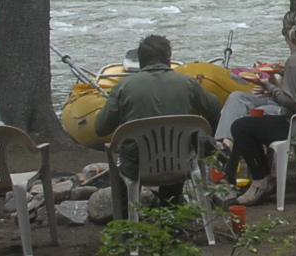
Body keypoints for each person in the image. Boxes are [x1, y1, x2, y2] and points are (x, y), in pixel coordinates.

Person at [94, 34, 223, 203]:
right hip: (179, 164)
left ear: (140, 61)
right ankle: (171, 207)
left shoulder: (123, 87)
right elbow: (215, 109)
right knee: (177, 145)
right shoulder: (187, 83)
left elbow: (101, 128)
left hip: (137, 167)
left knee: (119, 153)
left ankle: (127, 215)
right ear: (169, 59)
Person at [223, 12, 296, 205]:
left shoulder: (295, 60)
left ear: (285, 34)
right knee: (251, 124)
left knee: (241, 127)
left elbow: (293, 102)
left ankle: (260, 181)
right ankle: (264, 178)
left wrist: (268, 86)